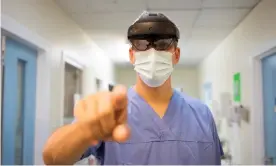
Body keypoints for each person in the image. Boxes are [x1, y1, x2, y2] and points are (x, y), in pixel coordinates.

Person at [43, 11, 224, 165]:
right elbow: (52, 158)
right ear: (132, 55)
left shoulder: (202, 114)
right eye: (142, 45)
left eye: (162, 45)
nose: (152, 53)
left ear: (176, 55)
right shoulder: (112, 112)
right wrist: (84, 130)